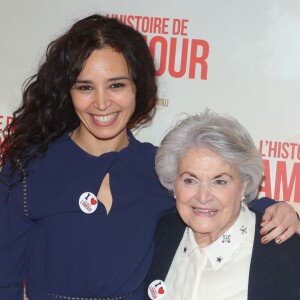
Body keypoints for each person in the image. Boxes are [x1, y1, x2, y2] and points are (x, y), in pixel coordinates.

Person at [0, 14, 299, 300]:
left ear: (137, 87)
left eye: (116, 85)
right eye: (85, 87)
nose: (102, 103)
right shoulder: (28, 168)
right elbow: (4, 280)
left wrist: (276, 208)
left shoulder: (159, 167)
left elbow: (213, 200)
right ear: (67, 92)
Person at [145, 110, 300, 300]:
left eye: (220, 181)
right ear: (173, 182)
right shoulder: (161, 233)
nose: (203, 197)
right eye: (190, 180)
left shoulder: (286, 255)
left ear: (244, 184)